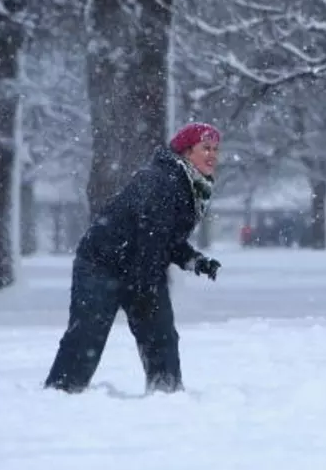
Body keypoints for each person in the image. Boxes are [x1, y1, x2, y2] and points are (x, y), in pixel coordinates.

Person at [44, 123, 224, 394]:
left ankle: (167, 395)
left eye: (215, 149)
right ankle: (62, 392)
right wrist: (146, 285)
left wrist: (194, 260)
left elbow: (167, 239)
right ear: (186, 152)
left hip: (140, 264)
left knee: (161, 334)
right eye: (205, 148)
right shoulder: (164, 180)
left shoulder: (190, 185)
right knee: (88, 334)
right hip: (101, 264)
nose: (212, 155)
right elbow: (151, 236)